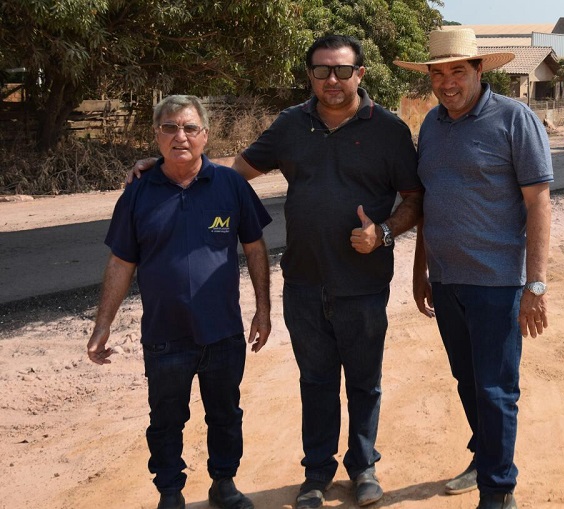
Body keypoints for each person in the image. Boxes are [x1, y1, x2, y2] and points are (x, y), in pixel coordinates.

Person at [131, 35, 422, 509]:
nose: (332, 79)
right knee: (316, 382)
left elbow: (414, 200)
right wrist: (172, 162)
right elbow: (228, 173)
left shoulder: (388, 130)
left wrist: (384, 234)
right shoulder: (291, 124)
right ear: (309, 74)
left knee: (364, 380)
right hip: (304, 284)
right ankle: (317, 475)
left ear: (361, 74)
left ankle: (364, 467)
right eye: (322, 70)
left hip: (364, 285)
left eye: (343, 70)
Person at [88, 95, 273, 509]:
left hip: (222, 331)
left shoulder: (231, 186)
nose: (180, 136)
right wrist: (103, 325)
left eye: (190, 127)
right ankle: (170, 492)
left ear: (205, 135)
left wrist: (263, 309)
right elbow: (120, 262)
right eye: (169, 127)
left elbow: (255, 247)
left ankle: (224, 483)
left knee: (225, 414)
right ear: (156, 136)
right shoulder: (138, 193)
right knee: (166, 419)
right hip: (165, 336)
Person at [394, 28, 553, 509]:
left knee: (496, 389)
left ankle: (498, 491)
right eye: (437, 73)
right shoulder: (433, 127)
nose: (446, 82)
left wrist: (535, 284)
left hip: (497, 283)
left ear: (479, 71)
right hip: (446, 282)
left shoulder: (515, 119)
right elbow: (429, 205)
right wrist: (422, 271)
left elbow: (539, 203)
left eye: (457, 71)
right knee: (468, 382)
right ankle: (483, 455)